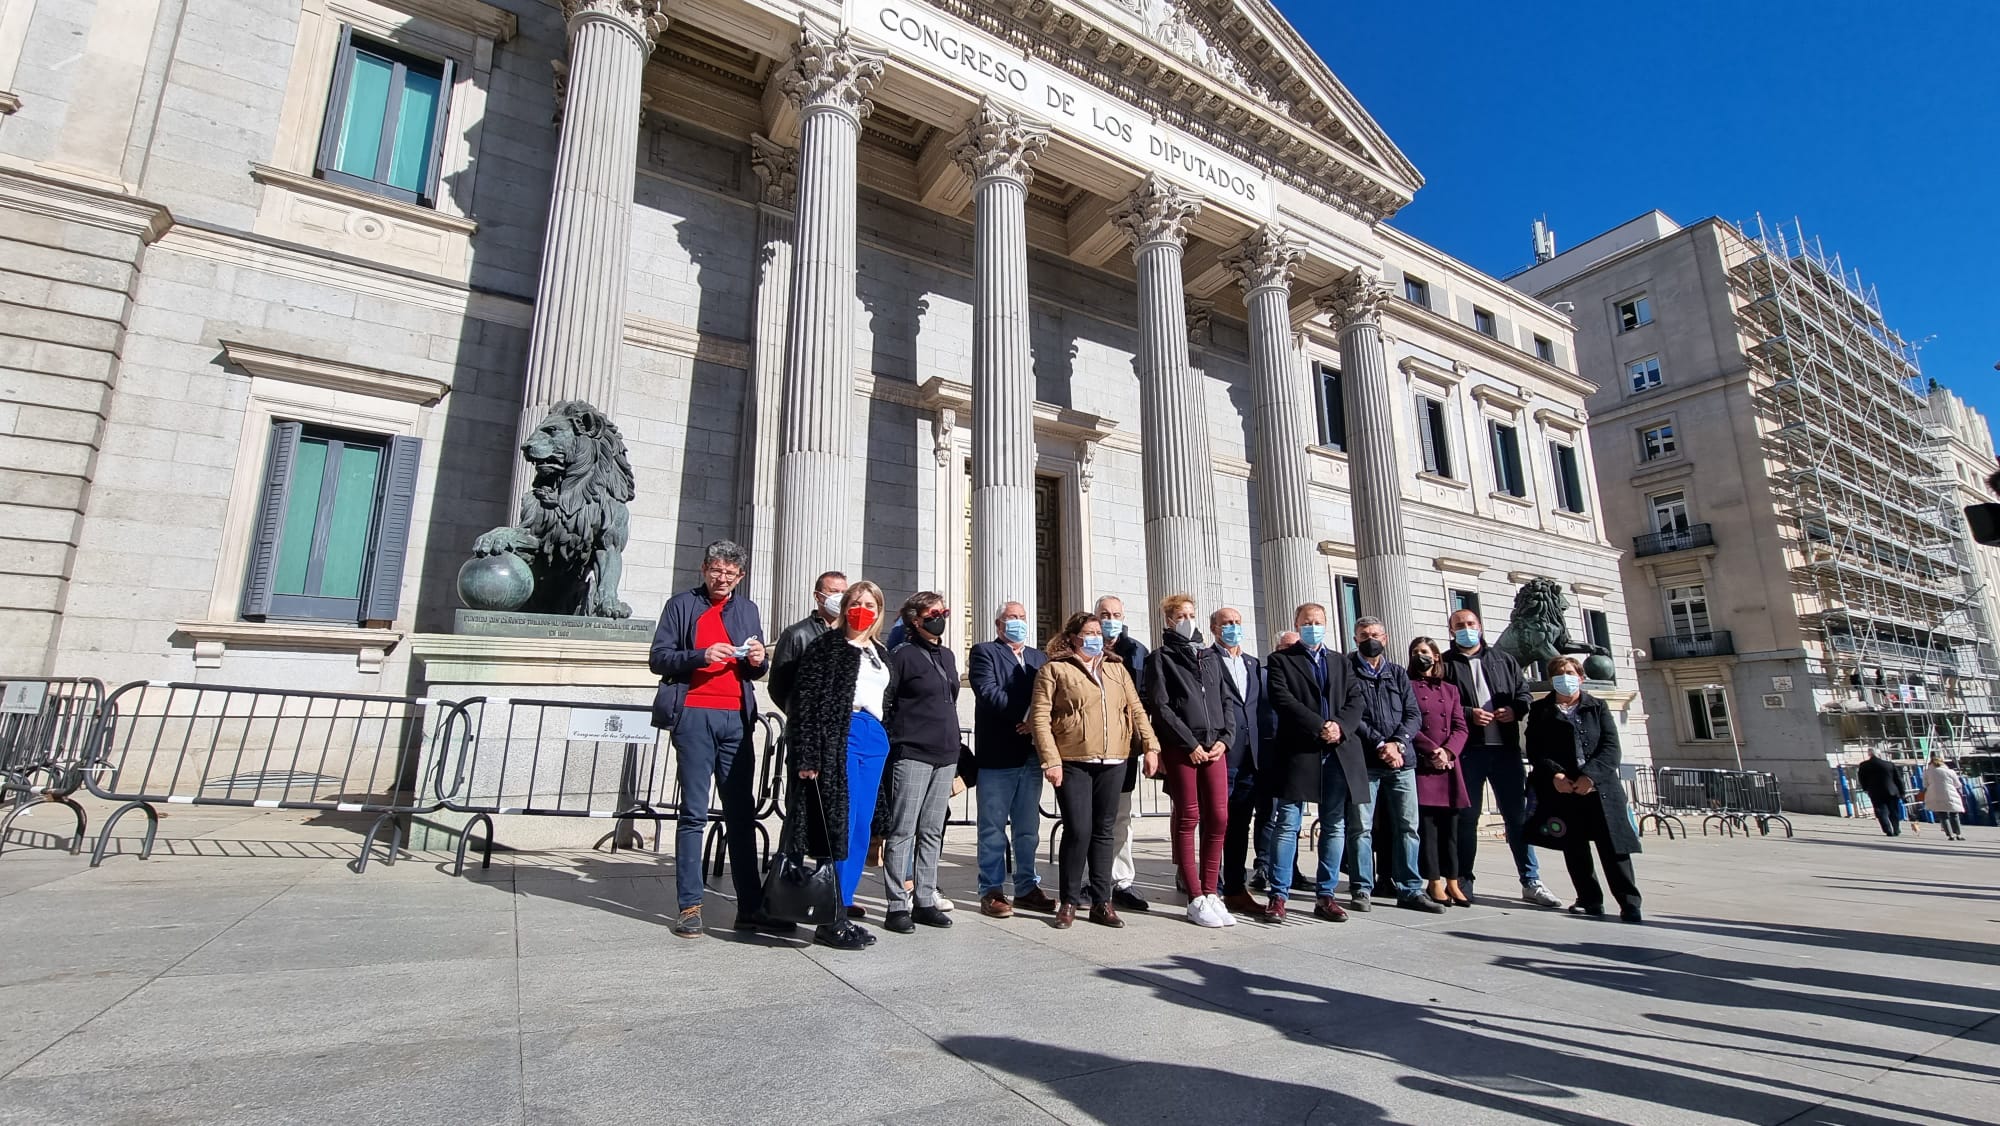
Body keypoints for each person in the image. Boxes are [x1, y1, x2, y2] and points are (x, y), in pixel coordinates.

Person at [648, 540, 777, 939]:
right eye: (717, 571)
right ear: (704, 569)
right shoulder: (680, 605)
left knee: (741, 813)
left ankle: (750, 906)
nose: (723, 579)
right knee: (693, 813)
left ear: (741, 576)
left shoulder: (748, 609)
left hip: (736, 718)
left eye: (730, 574)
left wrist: (759, 661)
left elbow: (755, 671)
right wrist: (700, 655)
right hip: (693, 714)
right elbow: (658, 658)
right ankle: (690, 906)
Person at [1030, 611, 1161, 929]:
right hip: (1073, 760)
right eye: (1088, 633)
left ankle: (1103, 902)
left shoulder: (1116, 668)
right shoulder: (1055, 669)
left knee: (1104, 831)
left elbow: (1136, 709)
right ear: (1072, 637)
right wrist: (1051, 759)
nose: (1095, 638)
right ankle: (1069, 900)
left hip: (1114, 759)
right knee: (1078, 830)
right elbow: (1040, 717)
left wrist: (1151, 746)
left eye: (1098, 633)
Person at [785, 580, 896, 950]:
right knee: (839, 826)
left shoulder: (879, 652)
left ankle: (843, 906)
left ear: (879, 611)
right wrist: (808, 755)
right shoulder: (827, 646)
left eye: (870, 604)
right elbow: (804, 701)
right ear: (845, 607)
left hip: (873, 736)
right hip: (840, 734)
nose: (862, 610)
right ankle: (828, 915)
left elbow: (887, 699)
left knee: (862, 826)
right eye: (856, 602)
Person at [1442, 608, 1563, 909]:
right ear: (1451, 631)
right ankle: (1464, 879)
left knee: (1517, 818)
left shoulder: (1503, 660)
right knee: (1466, 819)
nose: (1466, 629)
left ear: (1480, 626)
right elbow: (1440, 704)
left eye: (1470, 623)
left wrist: (1514, 710)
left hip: (1505, 751)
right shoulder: (1445, 664)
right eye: (1459, 625)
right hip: (1468, 751)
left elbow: (1523, 694)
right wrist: (1469, 714)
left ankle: (1531, 880)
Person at [1262, 602, 1366, 923]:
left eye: (1318, 621)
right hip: (1299, 750)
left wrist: (1339, 726)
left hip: (1338, 750)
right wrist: (1318, 725)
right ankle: (1279, 895)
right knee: (1287, 823)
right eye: (1307, 622)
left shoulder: (1341, 661)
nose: (1312, 626)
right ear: (1297, 624)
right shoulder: (1281, 660)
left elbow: (1355, 700)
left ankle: (1326, 895)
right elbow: (1283, 699)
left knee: (1334, 825)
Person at [1524, 656, 1642, 923]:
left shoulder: (1597, 707)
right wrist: (1555, 774)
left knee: (1613, 848)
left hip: (1599, 789)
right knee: (1574, 847)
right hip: (1564, 788)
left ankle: (1629, 902)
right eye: (1558, 673)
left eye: (1569, 672)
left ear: (1580, 677)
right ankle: (1589, 899)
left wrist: (1591, 776)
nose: (1564, 677)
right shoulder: (1541, 710)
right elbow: (1535, 748)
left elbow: (1611, 748)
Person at [1146, 594, 1236, 928]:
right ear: (1169, 621)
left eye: (1191, 614)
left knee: (1219, 817)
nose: (1187, 620)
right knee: (1189, 816)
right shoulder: (1161, 657)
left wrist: (1226, 739)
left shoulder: (1210, 656)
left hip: (1215, 747)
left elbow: (1226, 700)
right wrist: (1189, 743)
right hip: (1182, 748)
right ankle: (1194, 896)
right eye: (1180, 615)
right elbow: (1161, 706)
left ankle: (1212, 891)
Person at [880, 592, 961, 934]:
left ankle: (925, 899)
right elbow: (887, 701)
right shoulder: (901, 655)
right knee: (903, 829)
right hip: (912, 751)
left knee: (932, 829)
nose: (940, 617)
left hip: (945, 753)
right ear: (916, 619)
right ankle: (897, 903)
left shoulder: (948, 655)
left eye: (943, 611)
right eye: (933, 612)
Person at [1347, 617, 1440, 914]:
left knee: (1408, 827)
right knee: (1361, 828)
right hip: (1366, 761)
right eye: (1364, 635)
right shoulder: (1348, 670)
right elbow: (1351, 714)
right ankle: (1362, 887)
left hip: (1402, 761)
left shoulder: (1398, 673)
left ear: (1385, 638)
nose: (1370, 639)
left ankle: (1410, 888)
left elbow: (1413, 714)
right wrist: (1379, 744)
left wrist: (1397, 743)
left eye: (1375, 634)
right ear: (1355, 639)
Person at [968, 601, 1055, 917]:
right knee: (992, 828)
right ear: (998, 623)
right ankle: (991, 889)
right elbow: (988, 692)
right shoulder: (984, 652)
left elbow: (1050, 695)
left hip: (1030, 754)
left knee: (1028, 828)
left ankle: (1027, 887)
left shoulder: (1038, 658)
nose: (1018, 622)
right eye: (1011, 617)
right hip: (998, 754)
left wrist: (1037, 722)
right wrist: (1027, 716)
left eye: (1021, 617)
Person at [1211, 606, 1270, 916]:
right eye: (1226, 623)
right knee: (1215, 822)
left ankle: (1235, 887)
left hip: (1250, 757)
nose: (1232, 628)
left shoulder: (1252, 664)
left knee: (1239, 825)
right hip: (1221, 753)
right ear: (1214, 628)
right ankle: (1209, 885)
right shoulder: (1206, 660)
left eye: (1236, 622)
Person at [1096, 594, 1153, 913]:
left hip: (1124, 748)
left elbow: (1143, 699)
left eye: (1115, 614)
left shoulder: (1137, 652)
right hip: (1089, 747)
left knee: (1121, 815)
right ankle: (1093, 879)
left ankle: (1121, 881)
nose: (1110, 619)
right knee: (1089, 817)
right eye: (1104, 614)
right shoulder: (1083, 647)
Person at [1408, 636, 1471, 906]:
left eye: (1424, 651)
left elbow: (1460, 726)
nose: (1419, 655)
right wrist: (1432, 751)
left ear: (1435, 655)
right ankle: (1433, 880)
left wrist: (1448, 752)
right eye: (1415, 652)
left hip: (1449, 766)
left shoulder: (1450, 689)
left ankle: (1453, 880)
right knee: (1428, 828)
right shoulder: (1408, 686)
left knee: (1451, 828)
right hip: (1425, 764)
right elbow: (1410, 723)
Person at [769, 570, 846, 713]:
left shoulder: (851, 634)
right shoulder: (796, 634)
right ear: (817, 596)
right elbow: (778, 686)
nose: (839, 597)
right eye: (833, 591)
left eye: (844, 592)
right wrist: (799, 713)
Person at [1855, 748, 1906, 837]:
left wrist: (1865, 788)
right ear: (1879, 754)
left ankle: (1887, 829)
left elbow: (1862, 779)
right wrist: (1902, 792)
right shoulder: (1889, 764)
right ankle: (1896, 829)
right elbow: (1898, 779)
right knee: (1893, 811)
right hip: (1891, 791)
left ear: (1869, 754)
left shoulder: (1864, 765)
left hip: (1875, 792)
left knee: (1881, 811)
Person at [1923, 753, 1966, 840]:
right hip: (1950, 794)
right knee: (1954, 814)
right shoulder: (1950, 772)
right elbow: (1957, 784)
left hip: (1935, 795)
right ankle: (1958, 834)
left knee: (1943, 815)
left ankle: (1950, 835)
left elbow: (1925, 785)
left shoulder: (1927, 772)